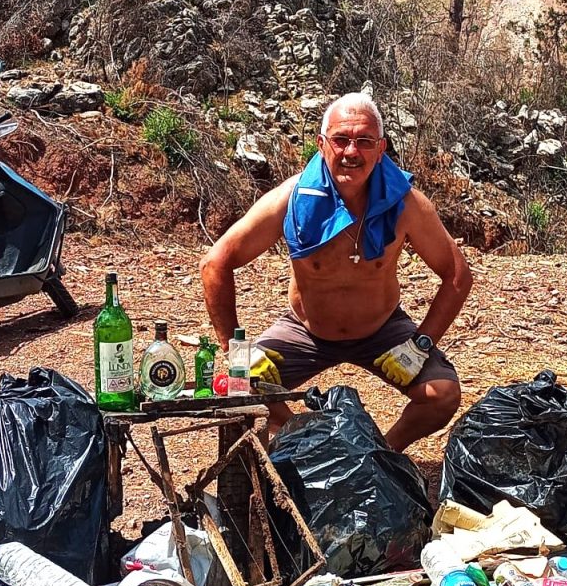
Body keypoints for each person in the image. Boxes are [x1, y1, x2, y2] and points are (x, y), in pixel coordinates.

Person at [199, 91, 473, 452]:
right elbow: (215, 263)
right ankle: (298, 435)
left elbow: (457, 275)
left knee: (442, 394)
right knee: (239, 387)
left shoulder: (406, 205)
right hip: (306, 330)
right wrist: (236, 352)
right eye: (341, 139)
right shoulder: (292, 199)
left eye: (364, 141)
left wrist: (420, 344)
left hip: (381, 329)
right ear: (321, 144)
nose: (351, 152)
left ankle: (383, 456)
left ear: (381, 149)